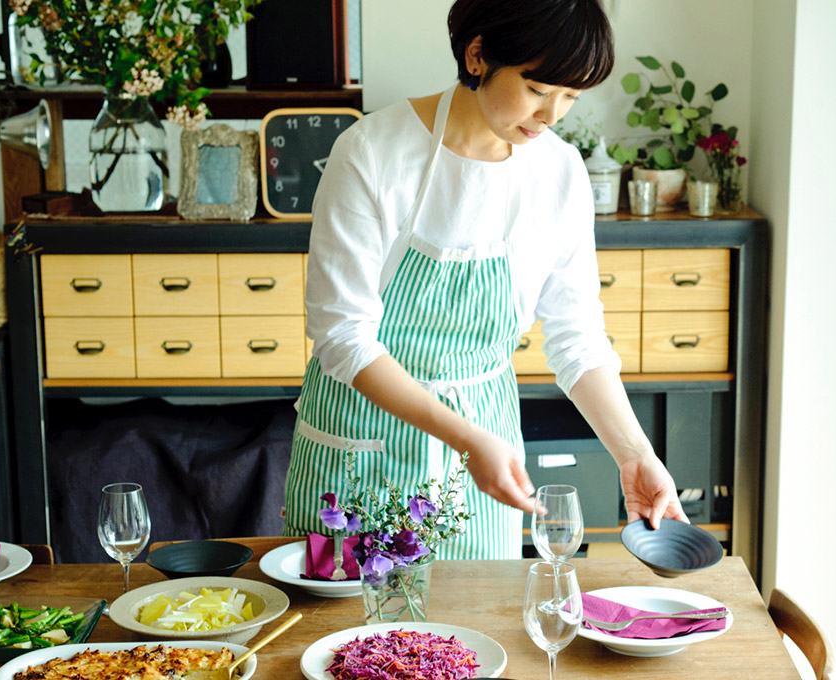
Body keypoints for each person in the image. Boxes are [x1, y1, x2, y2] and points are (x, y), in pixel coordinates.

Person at [281, 0, 687, 558]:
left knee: (477, 638)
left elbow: (577, 338)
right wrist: (467, 440)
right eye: (539, 89)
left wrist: (635, 453)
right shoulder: (372, 153)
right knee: (352, 641)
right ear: (478, 55)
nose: (553, 115)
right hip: (361, 455)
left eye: (572, 97)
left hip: (485, 467)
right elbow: (342, 336)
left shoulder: (560, 172)